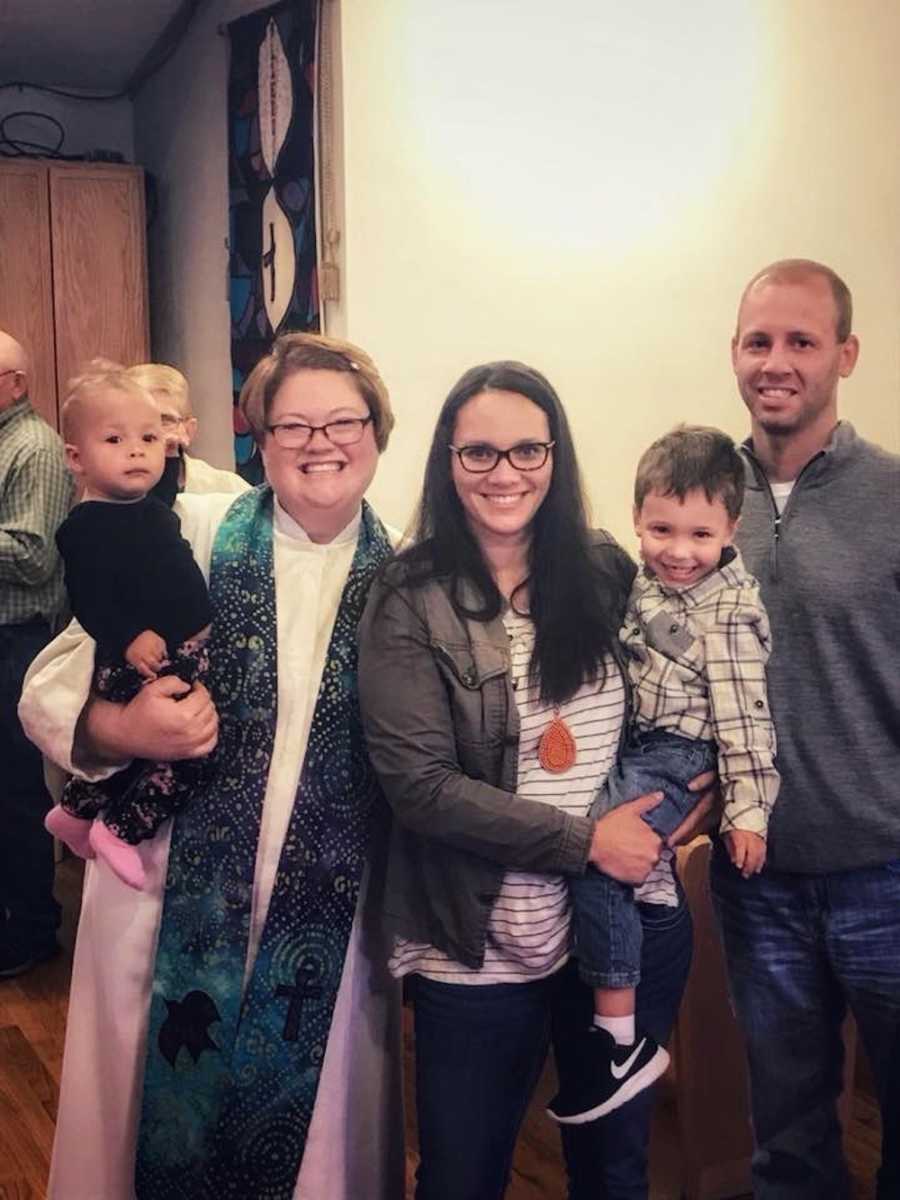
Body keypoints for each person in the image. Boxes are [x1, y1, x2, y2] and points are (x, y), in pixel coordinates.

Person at [19, 332, 403, 1200]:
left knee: (314, 1155)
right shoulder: (183, 530)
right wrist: (123, 727)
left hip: (328, 925)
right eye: (292, 424)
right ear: (256, 438)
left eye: (344, 421)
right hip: (163, 897)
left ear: (379, 433)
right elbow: (47, 685)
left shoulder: (410, 575)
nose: (320, 443)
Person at [358, 361, 714, 1200]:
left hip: (622, 923)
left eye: (528, 449)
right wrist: (590, 841)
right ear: (447, 459)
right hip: (479, 939)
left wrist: (703, 791)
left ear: (556, 455)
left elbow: (679, 695)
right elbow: (420, 787)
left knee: (614, 1170)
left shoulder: (601, 566)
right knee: (461, 1176)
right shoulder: (410, 594)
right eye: (479, 452)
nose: (505, 472)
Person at [710, 259, 900, 1198]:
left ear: (846, 355)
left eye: (800, 341)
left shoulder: (895, 497)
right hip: (760, 884)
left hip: (888, 875)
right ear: (734, 355)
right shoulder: (697, 499)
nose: (775, 362)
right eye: (757, 341)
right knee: (787, 1142)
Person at [551, 425, 778, 1125]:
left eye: (700, 535)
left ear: (731, 529)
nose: (679, 551)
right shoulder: (643, 580)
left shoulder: (732, 612)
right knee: (610, 848)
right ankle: (650, 896)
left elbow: (746, 721)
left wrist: (747, 812)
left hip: (679, 753)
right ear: (637, 518)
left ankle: (619, 1042)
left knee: (597, 858)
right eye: (661, 529)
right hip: (636, 741)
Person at [44, 363, 212, 891]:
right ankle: (119, 829)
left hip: (178, 649)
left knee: (149, 749)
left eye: (148, 437)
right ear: (77, 458)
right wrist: (128, 636)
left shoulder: (150, 506)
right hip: (146, 656)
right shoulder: (87, 527)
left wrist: (174, 446)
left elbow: (167, 485)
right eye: (115, 440)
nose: (138, 451)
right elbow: (90, 599)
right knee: (181, 754)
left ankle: (73, 814)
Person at [0, 328, 74, 979]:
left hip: (17, 641)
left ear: (15, 385)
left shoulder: (35, 448)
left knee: (16, 793)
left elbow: (30, 557)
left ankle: (32, 929)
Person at [126, 362, 250, 496]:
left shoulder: (230, 491)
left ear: (188, 430)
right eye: (134, 421)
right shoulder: (105, 491)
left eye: (164, 421)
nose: (149, 433)